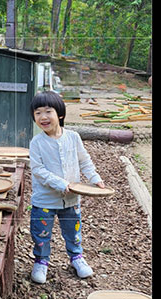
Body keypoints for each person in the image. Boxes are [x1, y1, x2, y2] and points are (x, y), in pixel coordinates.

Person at [28, 91, 106, 283]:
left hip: (71, 199)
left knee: (73, 230)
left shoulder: (73, 137)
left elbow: (84, 160)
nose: (43, 117)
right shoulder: (36, 143)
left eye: (48, 111)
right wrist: (63, 184)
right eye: (38, 113)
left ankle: (76, 258)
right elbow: (38, 170)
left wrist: (95, 178)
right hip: (44, 200)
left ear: (60, 114)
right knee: (41, 233)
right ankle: (41, 261)